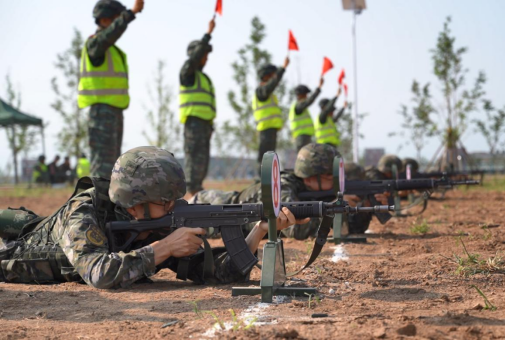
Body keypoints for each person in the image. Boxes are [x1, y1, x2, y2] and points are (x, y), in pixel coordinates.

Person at [0, 146, 308, 288]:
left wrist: (258, 233)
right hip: (9, 260)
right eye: (167, 200)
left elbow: (216, 274)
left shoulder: (156, 224)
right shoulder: (83, 211)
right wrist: (164, 249)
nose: (176, 205)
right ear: (137, 203)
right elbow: (99, 273)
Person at [196, 143, 381, 240]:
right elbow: (294, 229)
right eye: (329, 178)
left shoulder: (315, 191)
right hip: (210, 207)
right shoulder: (284, 186)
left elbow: (352, 229)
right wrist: (331, 208)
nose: (336, 184)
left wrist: (364, 207)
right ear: (310, 177)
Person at [78, 0, 144, 179]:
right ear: (105, 20)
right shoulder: (96, 44)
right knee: (102, 169)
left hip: (112, 112)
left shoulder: (109, 49)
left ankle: (106, 205)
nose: (118, 23)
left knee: (112, 166)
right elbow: (109, 35)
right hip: (102, 113)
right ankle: (97, 206)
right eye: (116, 19)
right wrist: (130, 14)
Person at [180, 18, 217, 196]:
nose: (206, 58)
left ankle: (197, 191)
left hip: (204, 126)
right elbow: (193, 59)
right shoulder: (188, 74)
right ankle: (190, 193)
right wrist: (207, 35)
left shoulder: (205, 78)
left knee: (202, 161)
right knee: (193, 160)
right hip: (193, 124)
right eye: (203, 54)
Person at [253, 58, 290, 169]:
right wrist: (282, 68)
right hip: (266, 128)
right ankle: (262, 181)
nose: (274, 79)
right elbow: (272, 84)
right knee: (265, 157)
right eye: (272, 76)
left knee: (269, 156)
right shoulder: (261, 91)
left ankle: (267, 181)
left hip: (271, 129)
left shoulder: (268, 94)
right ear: (266, 76)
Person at [289, 79, 324, 152]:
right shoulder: (298, 106)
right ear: (299, 95)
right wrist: (319, 88)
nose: (306, 96)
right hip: (301, 137)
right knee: (303, 159)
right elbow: (309, 101)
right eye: (305, 94)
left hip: (304, 136)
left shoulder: (301, 108)